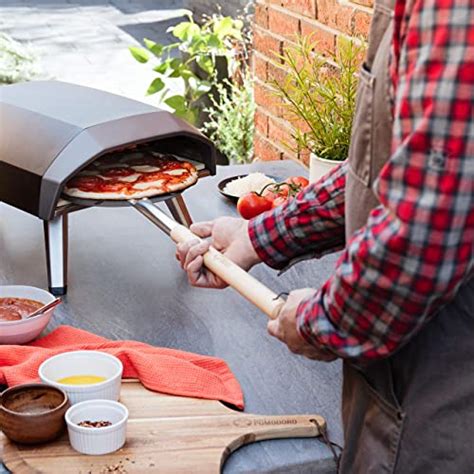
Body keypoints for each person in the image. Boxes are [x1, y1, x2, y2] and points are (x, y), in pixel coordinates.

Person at [176, 0, 474, 471]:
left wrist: (319, 319)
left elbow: (423, 227)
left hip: (440, 411)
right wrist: (259, 235)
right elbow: (385, 169)